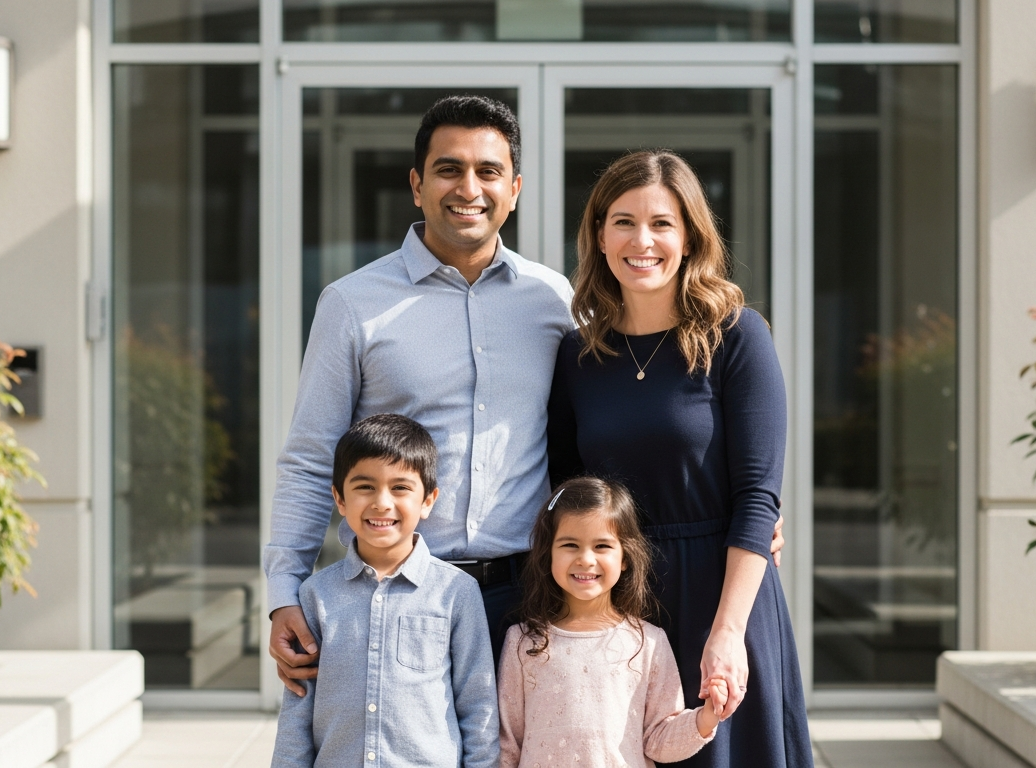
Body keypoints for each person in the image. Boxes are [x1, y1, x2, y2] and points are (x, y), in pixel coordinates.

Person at [264, 94, 575, 696]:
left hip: (529, 596)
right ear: (417, 184)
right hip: (394, 594)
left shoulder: (553, 300)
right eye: (448, 169)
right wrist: (283, 593)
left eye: (488, 171)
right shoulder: (353, 304)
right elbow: (309, 459)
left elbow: (603, 428)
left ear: (514, 188)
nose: (469, 188)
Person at [547, 150, 813, 766]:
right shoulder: (577, 356)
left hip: (720, 595)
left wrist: (727, 634)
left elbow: (757, 496)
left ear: (691, 237)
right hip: (617, 598)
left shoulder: (738, 336)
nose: (643, 240)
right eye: (623, 221)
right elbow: (565, 493)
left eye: (662, 223)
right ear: (599, 236)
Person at [270, 414, 498, 768]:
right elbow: (297, 713)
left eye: (401, 488)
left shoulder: (458, 593)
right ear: (340, 499)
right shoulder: (315, 596)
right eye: (364, 487)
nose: (381, 502)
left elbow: (478, 705)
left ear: (428, 500)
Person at [498, 477, 727, 768]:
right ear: (548, 555)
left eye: (602, 546)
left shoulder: (648, 642)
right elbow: (508, 746)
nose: (585, 559)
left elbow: (658, 741)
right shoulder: (521, 640)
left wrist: (706, 717)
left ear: (625, 557)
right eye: (570, 544)